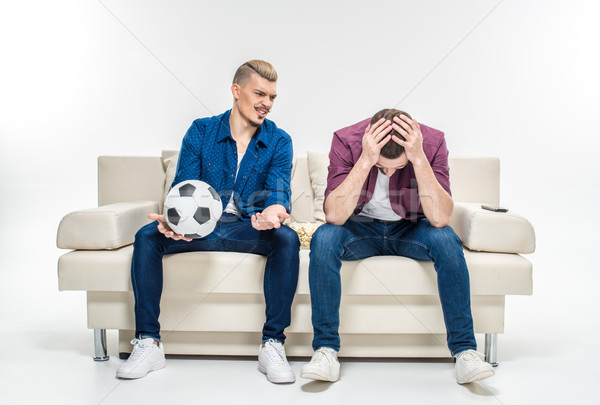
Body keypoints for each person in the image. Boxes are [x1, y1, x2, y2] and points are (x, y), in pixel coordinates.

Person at [116, 60, 300, 384]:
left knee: (286, 239)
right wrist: (175, 222)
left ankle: (273, 343)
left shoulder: (279, 140)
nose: (267, 104)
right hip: (201, 228)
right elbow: (184, 187)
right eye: (260, 93)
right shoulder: (202, 130)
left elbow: (278, 188)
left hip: (248, 226)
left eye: (272, 97)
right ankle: (149, 342)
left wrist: (273, 212)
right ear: (236, 90)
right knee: (147, 236)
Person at [300, 108, 495, 385]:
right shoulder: (346, 140)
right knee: (324, 237)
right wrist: (367, 160)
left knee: (447, 239)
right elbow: (334, 215)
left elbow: (439, 218)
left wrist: (417, 158)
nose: (389, 171)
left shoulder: (432, 142)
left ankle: (465, 352)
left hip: (411, 228)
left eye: (398, 167)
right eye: (383, 166)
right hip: (360, 228)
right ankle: (325, 350)